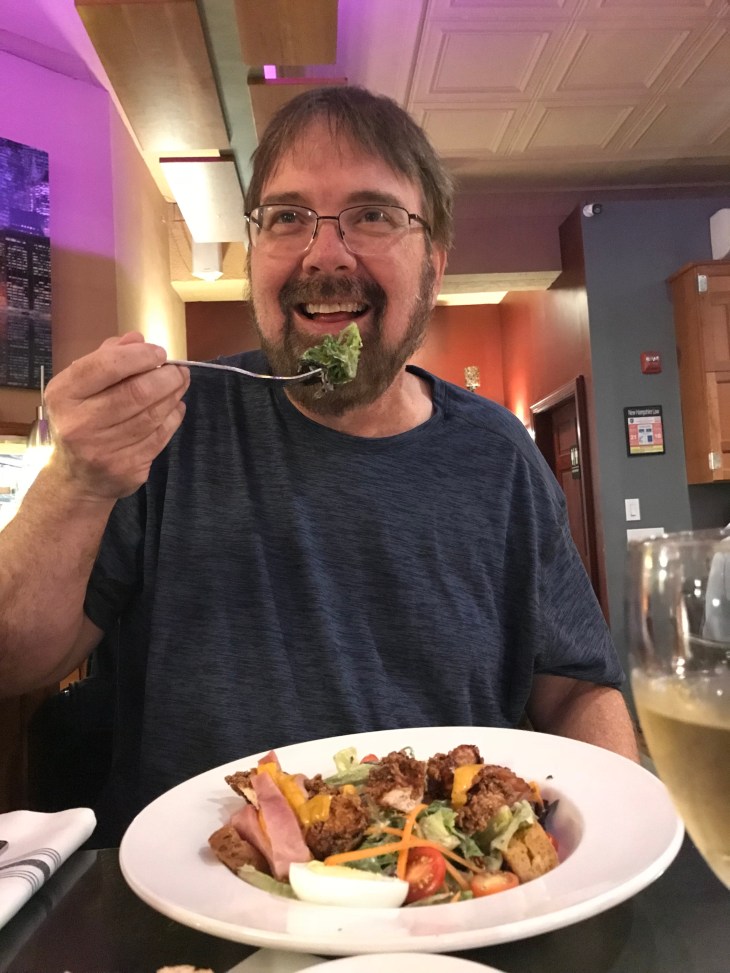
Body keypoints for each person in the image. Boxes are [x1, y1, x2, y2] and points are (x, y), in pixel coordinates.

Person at [0, 86, 638, 844]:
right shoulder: (167, 429)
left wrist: (615, 845)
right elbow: (17, 661)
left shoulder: (500, 457)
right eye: (287, 216)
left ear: (434, 265)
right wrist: (74, 481)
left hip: (446, 892)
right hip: (190, 891)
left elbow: (576, 692)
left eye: (373, 215)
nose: (324, 253)